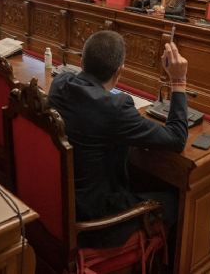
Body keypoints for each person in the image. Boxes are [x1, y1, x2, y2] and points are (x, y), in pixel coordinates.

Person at [48, 31, 188, 259]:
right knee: (176, 200)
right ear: (119, 71)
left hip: (59, 201)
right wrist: (178, 82)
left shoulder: (60, 82)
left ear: (82, 61)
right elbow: (177, 138)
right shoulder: (116, 107)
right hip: (95, 221)